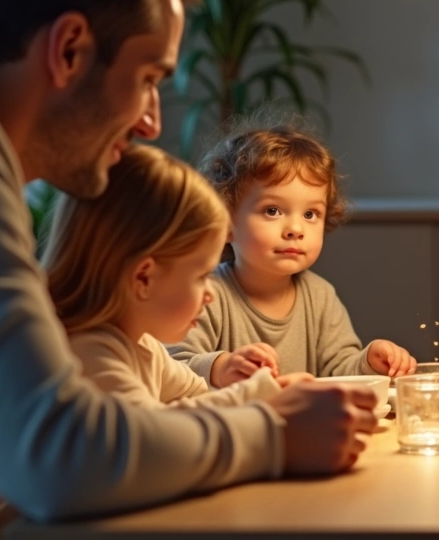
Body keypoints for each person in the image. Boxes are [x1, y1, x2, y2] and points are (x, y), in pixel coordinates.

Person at [0, 0, 372, 538]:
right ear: (69, 49)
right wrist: (274, 433)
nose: (152, 123)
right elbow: (53, 456)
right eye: (148, 78)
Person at [0, 145, 319, 538]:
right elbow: (148, 445)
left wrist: (264, 394)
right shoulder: (84, 353)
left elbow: (194, 403)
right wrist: (265, 408)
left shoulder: (140, 346)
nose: (210, 293)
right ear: (144, 278)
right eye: (201, 275)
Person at [170, 126, 417, 386]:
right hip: (236, 426)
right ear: (226, 222)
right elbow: (171, 370)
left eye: (310, 214)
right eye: (273, 210)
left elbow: (339, 371)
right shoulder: (205, 295)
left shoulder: (320, 297)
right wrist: (220, 367)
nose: (296, 230)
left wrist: (369, 362)